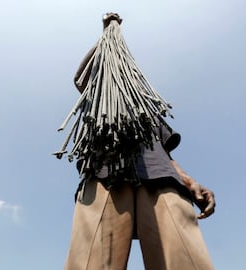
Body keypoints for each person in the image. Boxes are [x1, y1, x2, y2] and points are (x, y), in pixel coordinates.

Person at [64, 13, 216, 270]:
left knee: (183, 259)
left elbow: (166, 156)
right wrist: (107, 34)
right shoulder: (101, 99)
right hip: (105, 177)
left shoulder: (151, 112)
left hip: (162, 180)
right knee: (94, 262)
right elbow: (82, 77)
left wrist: (191, 182)